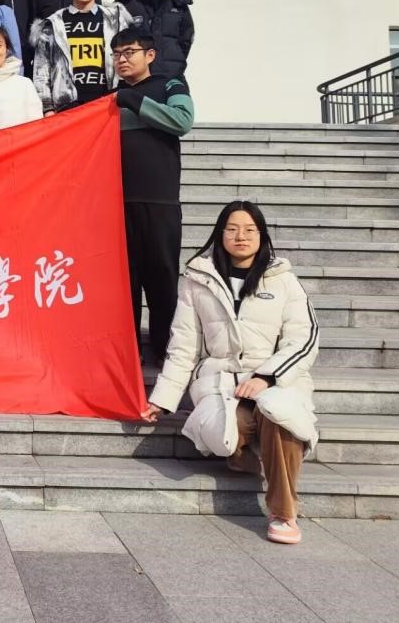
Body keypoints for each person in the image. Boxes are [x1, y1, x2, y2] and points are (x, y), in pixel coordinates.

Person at [142, 200, 319, 546]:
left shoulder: (283, 280)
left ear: (261, 235)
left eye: (250, 230)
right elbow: (184, 346)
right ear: (220, 234)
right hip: (221, 383)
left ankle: (284, 513)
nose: (241, 237)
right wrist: (163, 399)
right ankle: (246, 457)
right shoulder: (197, 280)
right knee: (229, 431)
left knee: (278, 417)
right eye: (233, 229)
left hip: (274, 380)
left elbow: (305, 337)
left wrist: (266, 377)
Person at [111, 28, 194, 365]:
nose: (122, 59)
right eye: (117, 53)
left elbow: (182, 120)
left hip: (160, 203)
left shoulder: (170, 85)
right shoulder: (111, 97)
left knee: (162, 280)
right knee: (124, 284)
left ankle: (164, 351)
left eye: (129, 52)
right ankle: (128, 354)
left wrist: (134, 101)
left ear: (150, 55)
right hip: (118, 204)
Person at [30, 0, 139, 115]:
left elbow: (131, 58)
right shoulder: (52, 23)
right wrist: (47, 108)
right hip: (66, 108)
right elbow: (41, 70)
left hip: (110, 105)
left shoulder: (116, 18)